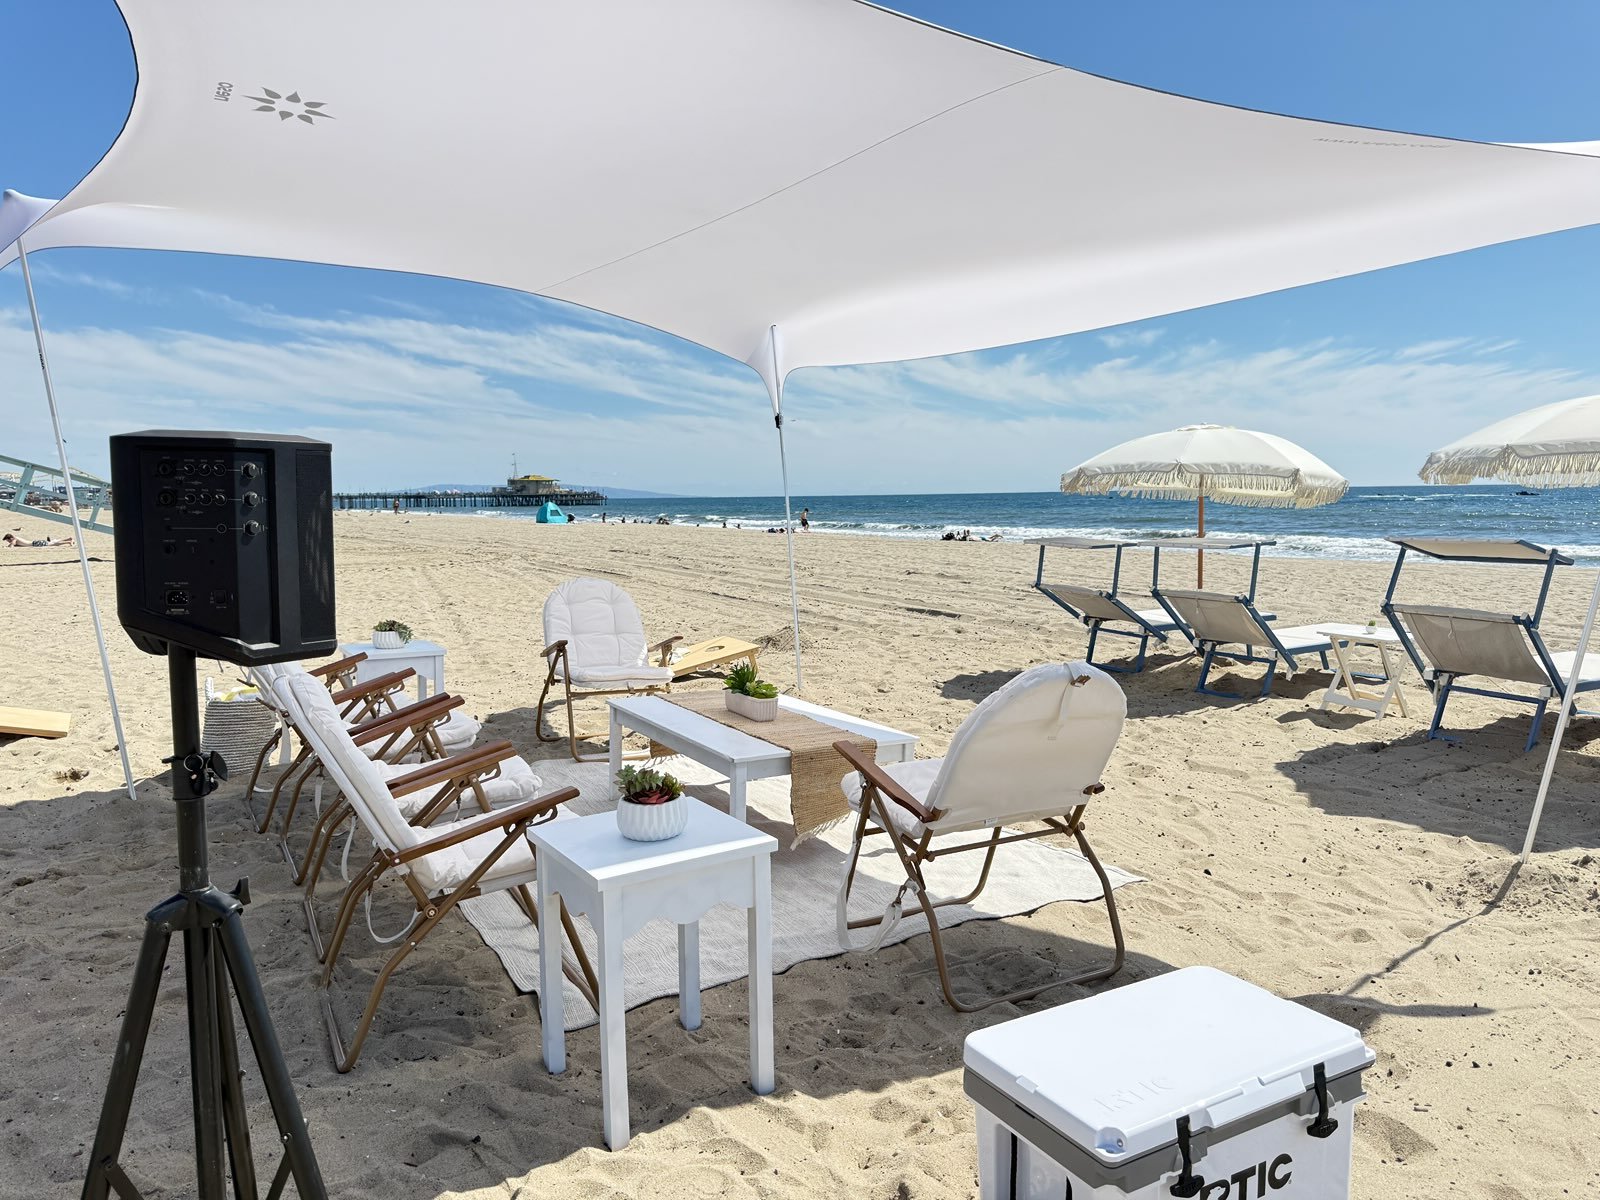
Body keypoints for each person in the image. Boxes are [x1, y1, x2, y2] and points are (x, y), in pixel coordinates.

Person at [5, 532, 73, 548]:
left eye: (8, 540)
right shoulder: (16, 538)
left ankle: (68, 542)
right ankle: (68, 539)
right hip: (35, 542)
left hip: (35, 543)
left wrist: (7, 546)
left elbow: (12, 545)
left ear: (10, 538)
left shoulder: (15, 539)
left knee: (53, 544)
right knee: (52, 542)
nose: (8, 542)